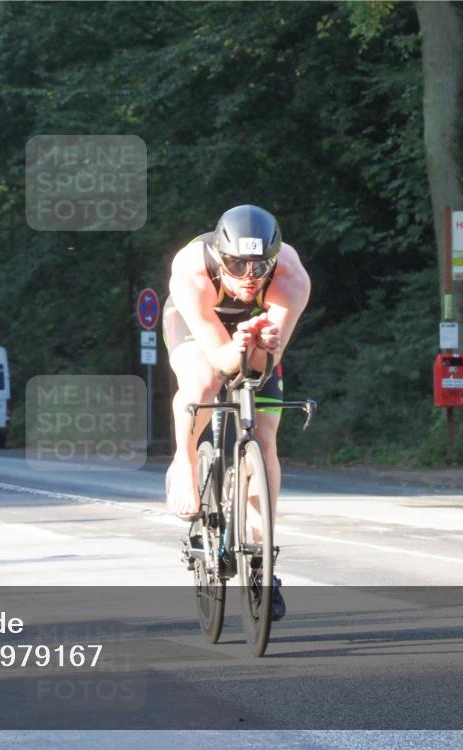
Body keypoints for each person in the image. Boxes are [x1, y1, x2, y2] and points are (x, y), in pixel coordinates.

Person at [162, 204, 310, 619]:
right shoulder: (192, 269)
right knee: (205, 382)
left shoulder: (291, 276)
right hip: (200, 325)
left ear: (274, 260)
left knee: (264, 441)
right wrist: (237, 346)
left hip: (255, 329)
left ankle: (263, 564)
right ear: (220, 257)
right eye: (236, 265)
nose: (248, 276)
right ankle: (185, 462)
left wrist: (259, 344)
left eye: (258, 266)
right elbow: (223, 360)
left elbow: (260, 367)